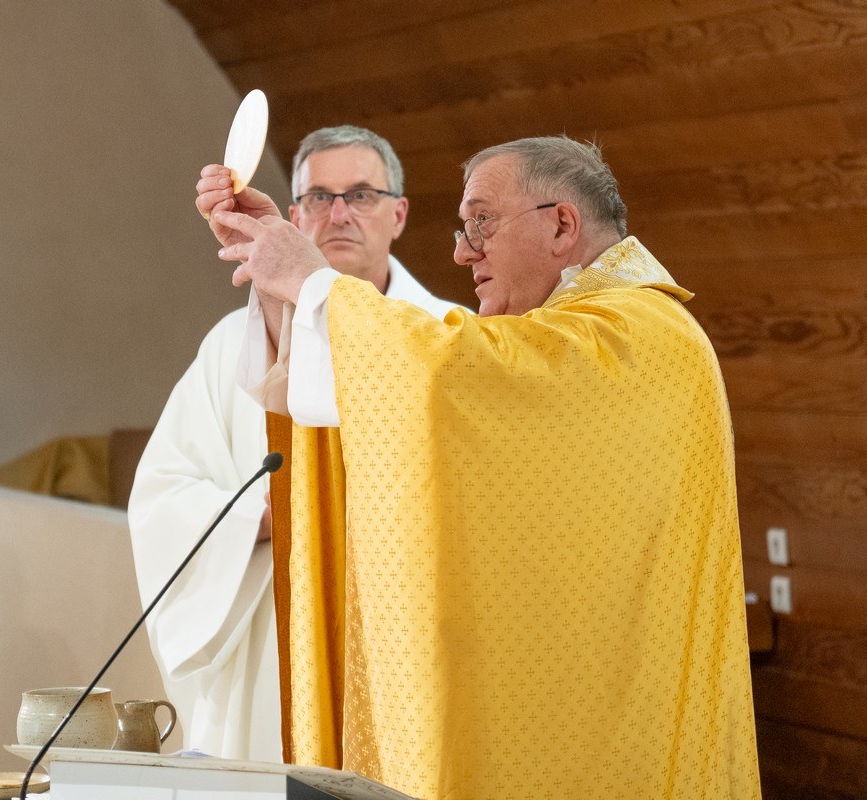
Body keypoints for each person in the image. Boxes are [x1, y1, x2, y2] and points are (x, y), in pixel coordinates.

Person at [208, 136, 760, 798]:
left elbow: (449, 374)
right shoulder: (606, 329)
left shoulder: (630, 334)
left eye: (481, 223)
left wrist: (310, 280)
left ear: (562, 225)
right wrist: (285, 277)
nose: (462, 252)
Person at [128, 125, 458, 761]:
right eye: (318, 198)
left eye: (360, 195)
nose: (339, 214)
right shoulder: (231, 344)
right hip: (272, 627)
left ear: (398, 214)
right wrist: (258, 517)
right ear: (296, 216)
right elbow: (163, 493)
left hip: (404, 621)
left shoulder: (447, 336)